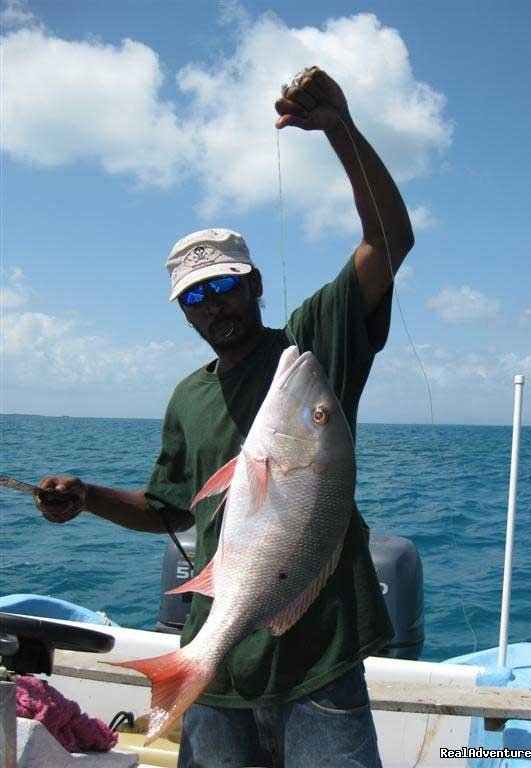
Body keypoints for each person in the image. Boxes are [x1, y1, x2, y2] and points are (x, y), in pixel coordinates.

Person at [35, 67, 414, 768]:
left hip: (318, 663)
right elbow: (167, 509)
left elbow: (389, 240)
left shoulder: (310, 348)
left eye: (224, 287)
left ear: (255, 284)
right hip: (217, 670)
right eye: (194, 298)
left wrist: (340, 128)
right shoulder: (188, 397)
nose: (213, 306)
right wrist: (87, 498)